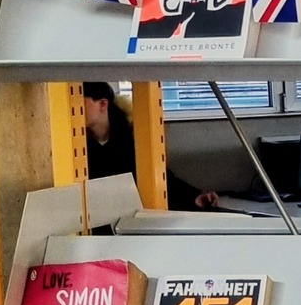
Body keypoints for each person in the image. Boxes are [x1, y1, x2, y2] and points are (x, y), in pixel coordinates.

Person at [82, 82, 219, 211]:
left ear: (103, 104)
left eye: (81, 103)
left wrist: (193, 196)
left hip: (133, 213)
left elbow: (156, 174)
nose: (74, 110)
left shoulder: (132, 135)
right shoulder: (75, 144)